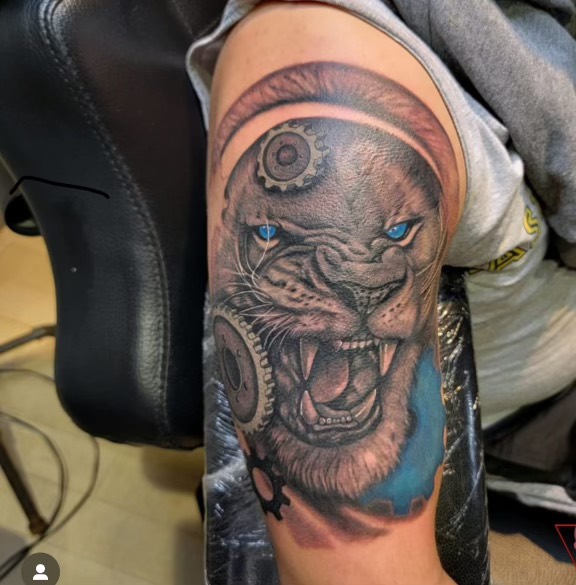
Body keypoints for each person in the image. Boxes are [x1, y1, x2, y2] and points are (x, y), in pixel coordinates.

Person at [188, 1, 576, 584]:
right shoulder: (333, 65)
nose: (364, 284)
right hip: (527, 422)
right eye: (273, 235)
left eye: (397, 234)